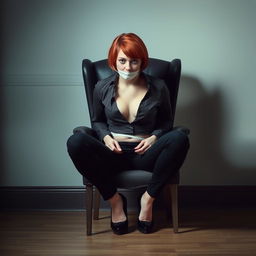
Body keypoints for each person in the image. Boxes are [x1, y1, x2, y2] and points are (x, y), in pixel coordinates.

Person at [67, 33, 189, 235]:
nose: (128, 67)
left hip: (146, 153)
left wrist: (154, 137)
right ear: (114, 61)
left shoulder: (159, 87)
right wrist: (106, 137)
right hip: (112, 154)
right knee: (75, 141)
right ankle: (115, 201)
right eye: (122, 61)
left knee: (180, 138)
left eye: (134, 61)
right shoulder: (102, 87)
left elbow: (167, 120)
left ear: (142, 61)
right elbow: (97, 121)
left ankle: (148, 199)